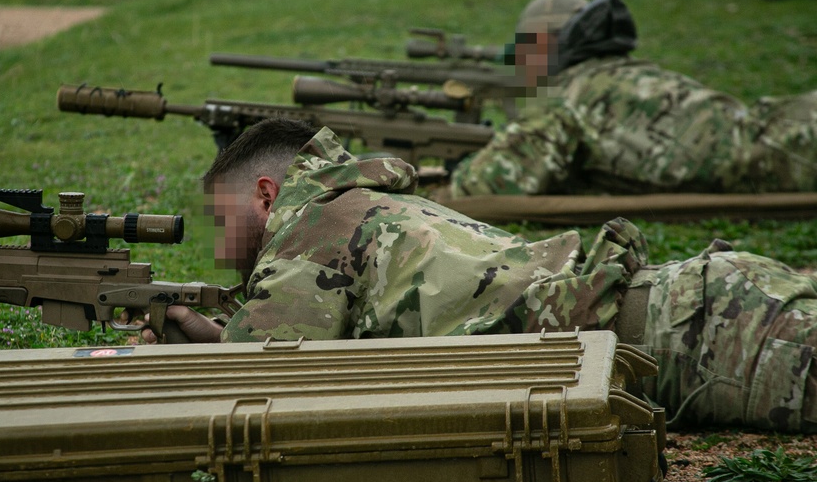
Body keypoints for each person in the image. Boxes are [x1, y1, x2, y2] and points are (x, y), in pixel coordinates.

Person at [144, 117, 817, 434]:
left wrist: (182, 345)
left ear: (266, 195)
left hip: (699, 336)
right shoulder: (362, 205)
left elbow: (261, 380)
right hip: (694, 311)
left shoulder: (312, 232)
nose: (218, 244)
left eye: (221, 218)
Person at [448, 0, 817, 197]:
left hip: (786, 153)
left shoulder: (569, 97)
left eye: (526, 51)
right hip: (786, 128)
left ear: (545, 44)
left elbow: (487, 185)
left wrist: (459, 169)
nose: (521, 65)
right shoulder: (618, 76)